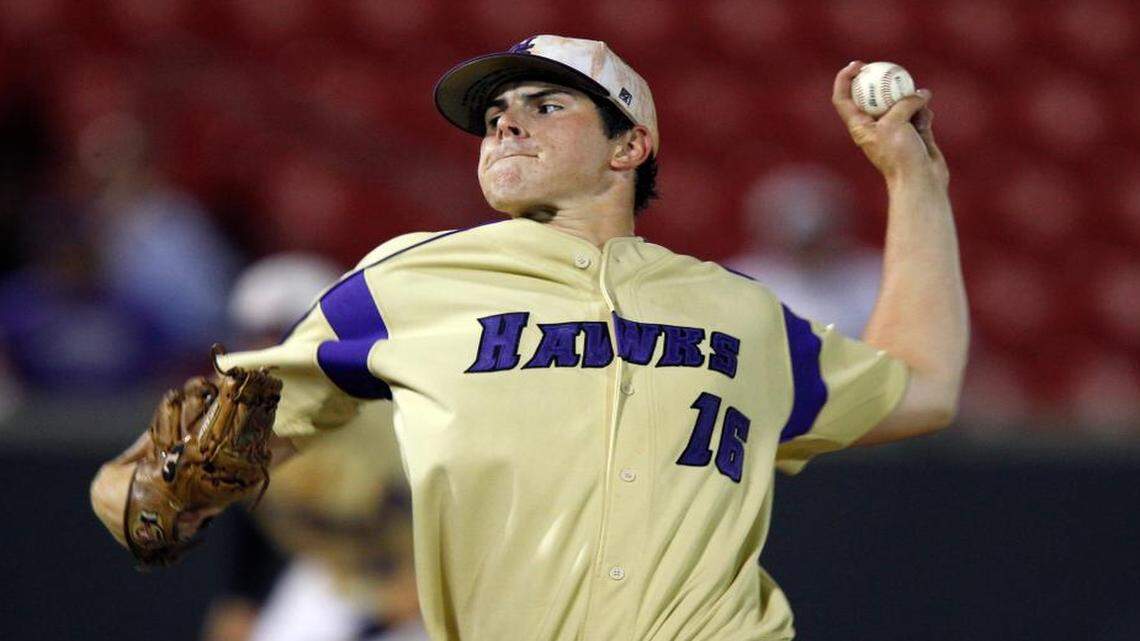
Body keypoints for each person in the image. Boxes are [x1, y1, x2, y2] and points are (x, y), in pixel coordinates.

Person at [91, 35, 968, 640]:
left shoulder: (738, 308)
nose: (505, 121)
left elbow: (922, 385)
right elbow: (171, 456)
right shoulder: (404, 284)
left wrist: (913, 179)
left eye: (547, 105)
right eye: (495, 112)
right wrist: (135, 493)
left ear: (631, 146)